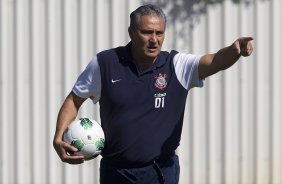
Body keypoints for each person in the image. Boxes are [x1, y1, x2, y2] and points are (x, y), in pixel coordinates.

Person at [53, 4, 253, 184]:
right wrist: (59, 137)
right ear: (131, 32)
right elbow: (73, 100)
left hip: (160, 172)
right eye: (147, 32)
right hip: (116, 173)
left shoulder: (177, 65)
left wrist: (234, 51)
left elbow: (215, 61)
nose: (154, 40)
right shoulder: (105, 63)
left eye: (159, 33)